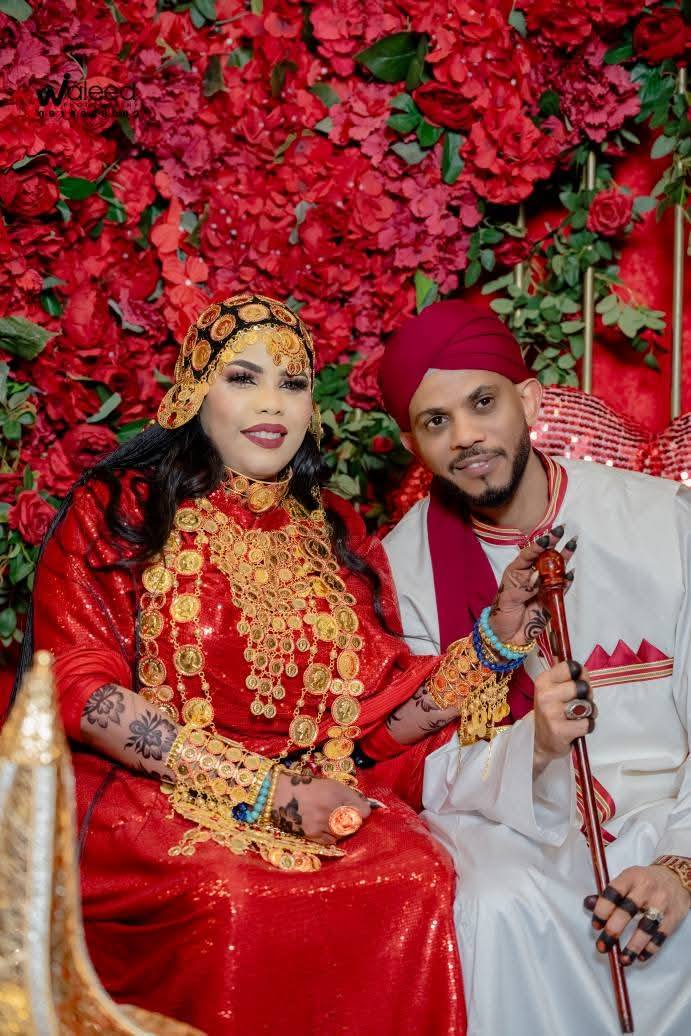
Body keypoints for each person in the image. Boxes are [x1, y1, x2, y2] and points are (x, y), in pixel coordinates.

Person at [19, 293, 576, 1035]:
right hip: (155, 799)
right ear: (193, 391)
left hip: (316, 799)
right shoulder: (123, 508)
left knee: (419, 875)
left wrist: (495, 641)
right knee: (233, 897)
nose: (271, 403)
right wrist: (263, 792)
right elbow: (83, 693)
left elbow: (375, 723)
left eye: (291, 383)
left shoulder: (331, 530)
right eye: (242, 378)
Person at [379, 299, 691, 1036]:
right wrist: (536, 747)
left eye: (482, 403)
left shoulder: (666, 521)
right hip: (514, 827)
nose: (465, 436)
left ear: (529, 400)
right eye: (435, 421)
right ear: (412, 443)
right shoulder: (400, 569)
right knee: (492, 904)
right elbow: (413, 767)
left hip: (672, 814)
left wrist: (679, 866)